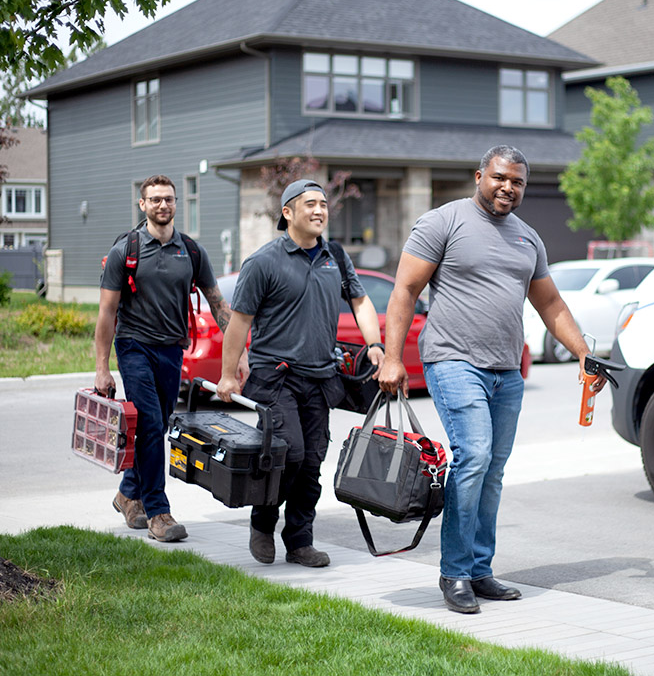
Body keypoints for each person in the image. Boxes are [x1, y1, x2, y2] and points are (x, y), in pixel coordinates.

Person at [378, 145, 607, 614]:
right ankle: (455, 572)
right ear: (480, 175)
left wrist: (584, 352)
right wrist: (393, 358)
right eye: (500, 177)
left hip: (507, 371)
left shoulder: (528, 238)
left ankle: (479, 569)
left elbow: (551, 305)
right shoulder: (443, 222)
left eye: (517, 182)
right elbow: (405, 289)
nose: (508, 187)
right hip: (453, 360)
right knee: (474, 455)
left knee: (493, 471)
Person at [216, 179, 385, 567]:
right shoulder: (263, 262)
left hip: (321, 378)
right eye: (310, 204)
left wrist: (375, 344)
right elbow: (240, 322)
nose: (319, 210)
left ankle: (299, 541)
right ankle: (262, 524)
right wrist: (228, 374)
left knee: (311, 463)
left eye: (323, 204)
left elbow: (360, 301)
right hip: (276, 378)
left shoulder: (334, 256)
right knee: (288, 454)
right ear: (288, 212)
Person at [95, 174, 245, 543]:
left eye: (169, 199)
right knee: (148, 422)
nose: (163, 205)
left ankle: (127, 493)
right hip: (133, 345)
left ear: (176, 203)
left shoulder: (191, 251)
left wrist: (239, 353)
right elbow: (106, 312)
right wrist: (102, 367)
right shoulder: (126, 251)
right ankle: (158, 512)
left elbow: (218, 304)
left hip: (172, 348)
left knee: (157, 424)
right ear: (142, 204)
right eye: (155, 199)